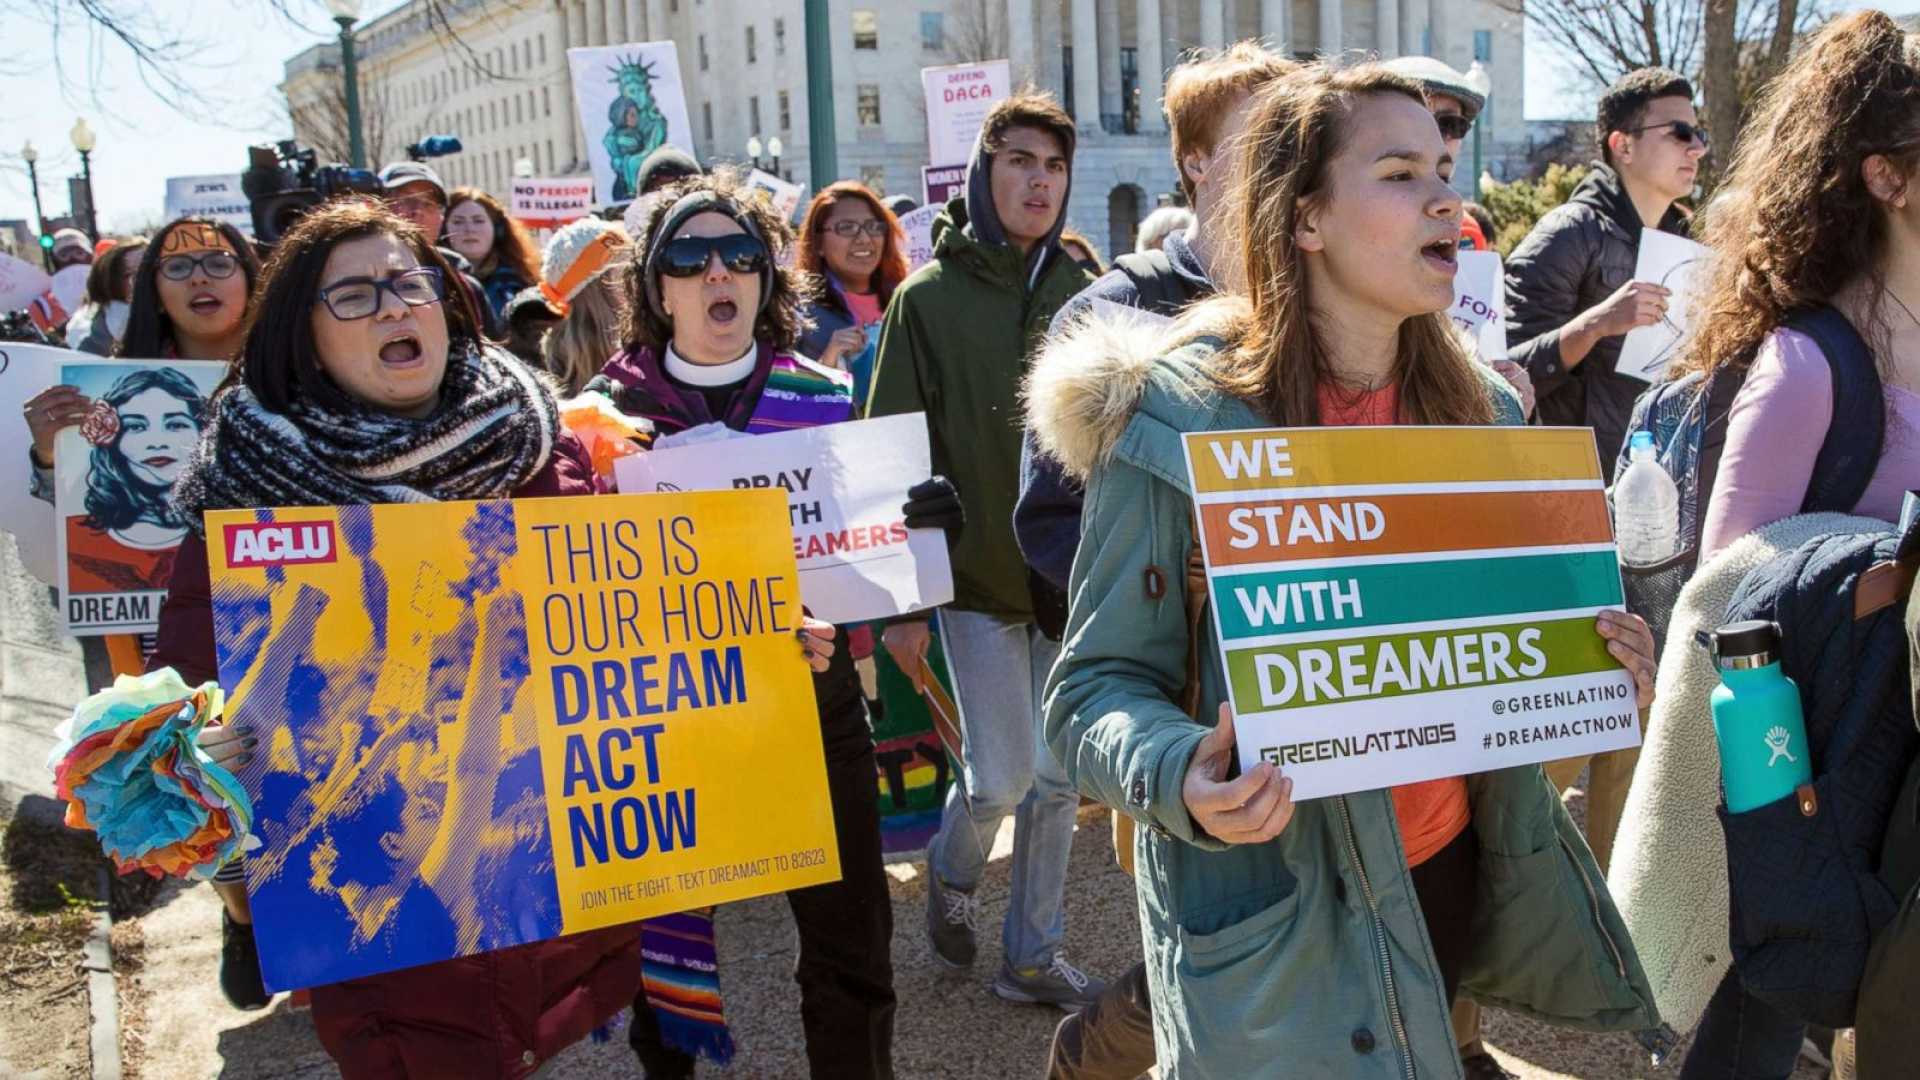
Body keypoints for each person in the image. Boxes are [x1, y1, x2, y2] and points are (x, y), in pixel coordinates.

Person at [1028, 61, 1664, 1079]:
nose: (1448, 198)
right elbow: (1090, 694)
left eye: (1445, 169)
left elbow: (1510, 676)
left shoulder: (1492, 421)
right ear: (1307, 219)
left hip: (1445, 873)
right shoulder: (1173, 423)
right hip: (1272, 910)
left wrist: (1599, 671)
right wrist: (1179, 769)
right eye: (1403, 173)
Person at [151, 200, 652, 1074]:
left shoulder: (540, 448)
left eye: (407, 282)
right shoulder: (248, 494)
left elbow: (633, 618)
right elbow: (181, 703)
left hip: (542, 881)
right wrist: (196, 745)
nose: (393, 307)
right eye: (354, 296)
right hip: (382, 915)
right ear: (303, 334)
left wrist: (768, 647)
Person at [588, 170, 937, 1080]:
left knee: (852, 943)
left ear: (765, 278)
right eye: (690, 256)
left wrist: (919, 526)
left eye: (740, 253)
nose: (719, 272)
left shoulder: (820, 396)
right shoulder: (604, 418)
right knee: (660, 972)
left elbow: (858, 550)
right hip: (669, 718)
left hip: (810, 701)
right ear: (657, 288)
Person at [1017, 41, 1295, 1078]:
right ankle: (1099, 1051)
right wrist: (1160, 608)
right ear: (1194, 164)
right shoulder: (1110, 317)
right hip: (1183, 703)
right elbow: (1047, 518)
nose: (1287, 163)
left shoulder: (1328, 297)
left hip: (1315, 674)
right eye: (1261, 141)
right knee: (1211, 945)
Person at [1655, 16, 1920, 1074]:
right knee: (1749, 1038)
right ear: (1887, 180)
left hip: (1910, 795)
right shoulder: (1809, 367)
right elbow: (1729, 614)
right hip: (1810, 790)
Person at [866, 91, 1106, 1009]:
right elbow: (884, 442)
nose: (1038, 181)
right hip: (965, 577)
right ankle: (951, 869)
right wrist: (897, 603)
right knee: (1001, 776)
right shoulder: (923, 299)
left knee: (1057, 779)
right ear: (983, 174)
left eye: (1053, 166)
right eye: (1019, 162)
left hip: (1063, 579)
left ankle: (1032, 959)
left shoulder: (1084, 298)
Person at [1506, 67, 1705, 479]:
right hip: (1574, 490)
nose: (1698, 148)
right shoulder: (1567, 233)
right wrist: (1595, 324)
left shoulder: (1691, 244)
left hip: (1662, 485)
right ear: (1622, 145)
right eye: (1679, 132)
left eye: (1700, 134)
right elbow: (1503, 378)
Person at [63, 367, 204, 593]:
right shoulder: (76, 538)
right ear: (111, 440)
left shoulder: (233, 535)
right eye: (136, 426)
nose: (157, 442)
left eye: (176, 424)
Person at [794, 181, 910, 405]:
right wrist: (828, 360)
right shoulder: (797, 317)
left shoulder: (907, 299)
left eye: (874, 226)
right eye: (846, 227)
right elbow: (791, 408)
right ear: (818, 243)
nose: (864, 238)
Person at [378, 161, 503, 338]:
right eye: (405, 200)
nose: (417, 211)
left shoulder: (465, 288)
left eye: (428, 204)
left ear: (441, 219)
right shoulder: (357, 279)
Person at [539, 217, 632, 395]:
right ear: (596, 291)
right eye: (624, 271)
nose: (637, 279)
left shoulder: (652, 332)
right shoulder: (558, 367)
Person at [442, 186, 543, 320]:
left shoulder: (523, 282)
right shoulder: (433, 282)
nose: (469, 229)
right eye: (458, 222)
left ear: (498, 228)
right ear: (444, 230)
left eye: (478, 221)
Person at [67, 237, 145, 355]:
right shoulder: (101, 333)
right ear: (111, 283)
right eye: (128, 274)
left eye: (147, 269)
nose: (140, 279)